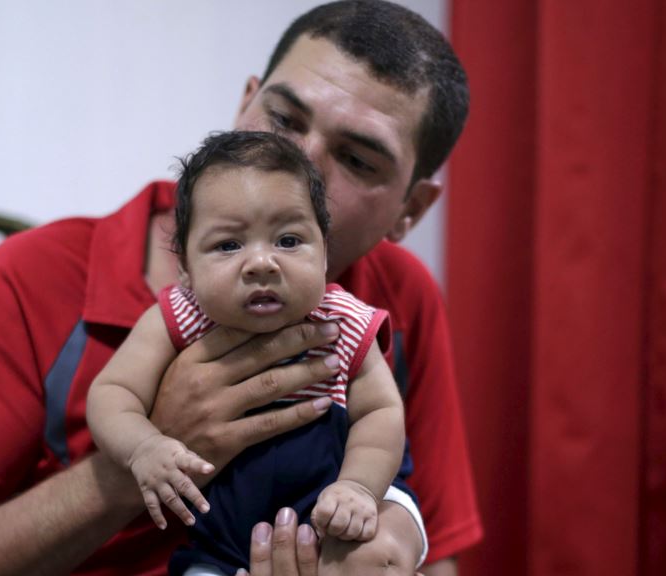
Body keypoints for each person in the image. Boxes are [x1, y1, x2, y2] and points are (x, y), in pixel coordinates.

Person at [0, 2, 481, 575]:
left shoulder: (392, 299)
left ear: (411, 210)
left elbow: (435, 552)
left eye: (359, 160)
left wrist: (391, 542)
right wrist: (139, 459)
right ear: (245, 104)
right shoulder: (35, 278)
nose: (301, 165)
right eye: (283, 118)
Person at [88, 130, 420, 576]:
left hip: (340, 509)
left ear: (323, 251)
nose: (262, 263)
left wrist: (359, 486)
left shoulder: (342, 321)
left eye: (287, 241)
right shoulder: (181, 317)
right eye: (228, 245)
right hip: (224, 544)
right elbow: (112, 392)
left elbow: (381, 411)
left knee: (370, 557)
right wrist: (143, 447)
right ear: (185, 267)